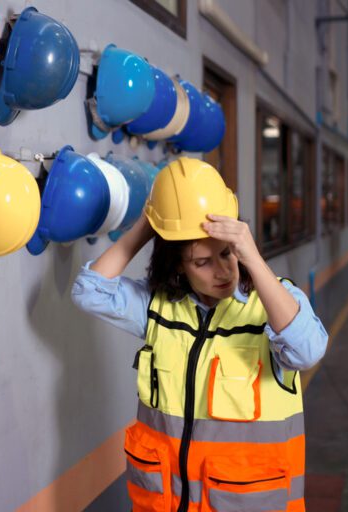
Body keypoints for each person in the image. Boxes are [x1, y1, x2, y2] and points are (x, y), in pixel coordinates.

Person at [71, 158, 328, 512]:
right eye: (202, 262)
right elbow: (89, 291)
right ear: (178, 264)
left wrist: (252, 258)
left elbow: (307, 351)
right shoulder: (160, 308)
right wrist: (150, 225)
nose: (223, 272)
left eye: (227, 254)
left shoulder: (272, 304)